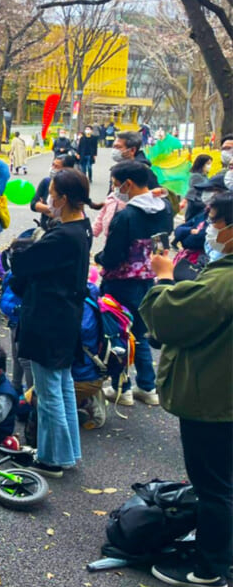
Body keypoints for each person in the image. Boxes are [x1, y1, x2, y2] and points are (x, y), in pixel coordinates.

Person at [140, 191, 232, 587]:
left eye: (214, 222)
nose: (208, 229)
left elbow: (171, 318)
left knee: (213, 485)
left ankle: (210, 569)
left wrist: (163, 277)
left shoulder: (223, 280)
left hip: (213, 400)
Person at [10, 169, 96, 478]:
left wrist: (15, 253)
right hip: (65, 315)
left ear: (63, 198)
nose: (48, 199)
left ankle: (51, 460)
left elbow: (21, 264)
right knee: (61, 385)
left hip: (47, 317)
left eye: (52, 194)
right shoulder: (82, 227)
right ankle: (66, 451)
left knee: (48, 393)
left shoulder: (61, 236)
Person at [95, 161, 173, 406]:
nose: (115, 189)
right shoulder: (165, 209)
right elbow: (162, 245)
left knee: (118, 333)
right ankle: (148, 387)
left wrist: (98, 259)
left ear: (128, 183)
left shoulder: (126, 215)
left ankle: (122, 388)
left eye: (116, 184)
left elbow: (112, 255)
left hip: (119, 284)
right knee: (139, 333)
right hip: (148, 279)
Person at [31, 155, 65, 230]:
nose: (53, 168)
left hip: (62, 229)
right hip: (45, 227)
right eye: (53, 165)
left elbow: (66, 214)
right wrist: (53, 211)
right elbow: (33, 204)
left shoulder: (72, 186)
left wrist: (43, 208)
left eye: (57, 167)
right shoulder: (46, 182)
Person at [183, 154, 213, 220]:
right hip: (197, 205)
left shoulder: (204, 176)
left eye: (210, 164)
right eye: (208, 163)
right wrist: (185, 200)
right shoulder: (197, 176)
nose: (209, 166)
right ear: (201, 164)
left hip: (202, 204)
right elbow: (192, 191)